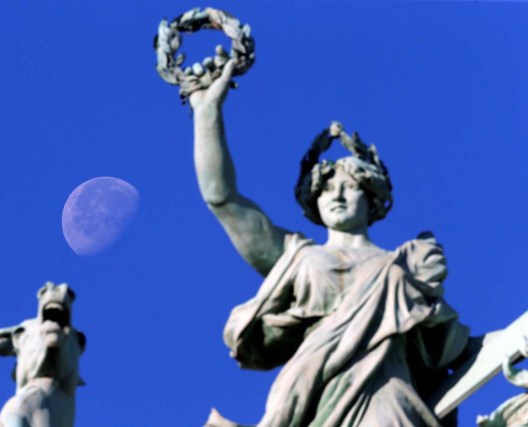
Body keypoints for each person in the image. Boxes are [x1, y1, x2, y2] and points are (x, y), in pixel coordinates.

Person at [189, 60, 470, 427]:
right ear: (314, 201)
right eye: (326, 188)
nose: (337, 195)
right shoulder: (296, 256)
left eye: (350, 187)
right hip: (307, 396)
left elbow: (449, 349)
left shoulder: (404, 265)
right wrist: (207, 113)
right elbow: (221, 198)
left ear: (372, 200)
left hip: (386, 394)